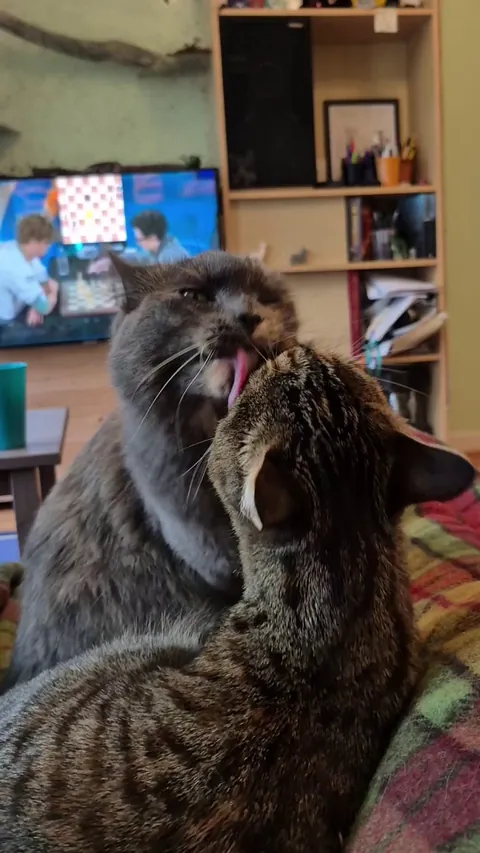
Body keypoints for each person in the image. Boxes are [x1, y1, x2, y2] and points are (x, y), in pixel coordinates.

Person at [0, 215, 59, 327]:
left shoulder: (17, 248)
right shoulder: (17, 269)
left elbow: (44, 281)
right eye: (46, 242)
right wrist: (54, 291)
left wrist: (35, 307)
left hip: (19, 302)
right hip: (5, 322)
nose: (48, 247)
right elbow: (45, 307)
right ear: (33, 241)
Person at [88, 210, 189, 275]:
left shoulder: (169, 257)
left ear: (152, 238)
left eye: (139, 239)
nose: (137, 243)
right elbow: (140, 256)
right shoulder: (159, 245)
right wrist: (110, 261)